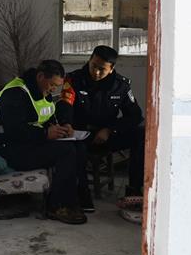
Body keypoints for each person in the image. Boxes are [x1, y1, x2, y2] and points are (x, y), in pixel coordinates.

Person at [0, 60, 88, 225]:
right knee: (66, 152)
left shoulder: (42, 90)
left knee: (78, 146)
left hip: (30, 144)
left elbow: (46, 116)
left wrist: (62, 128)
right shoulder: (15, 93)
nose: (53, 89)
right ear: (41, 76)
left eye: (57, 86)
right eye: (52, 85)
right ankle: (57, 205)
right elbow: (14, 131)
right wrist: (45, 133)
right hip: (11, 150)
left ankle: (78, 199)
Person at [58, 45, 145, 199]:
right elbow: (65, 104)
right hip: (80, 134)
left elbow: (135, 116)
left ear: (111, 69)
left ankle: (134, 190)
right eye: (94, 66)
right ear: (89, 60)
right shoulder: (73, 80)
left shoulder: (121, 86)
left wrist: (110, 129)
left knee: (142, 134)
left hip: (107, 135)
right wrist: (67, 124)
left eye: (102, 69)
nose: (96, 72)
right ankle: (81, 192)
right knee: (74, 148)